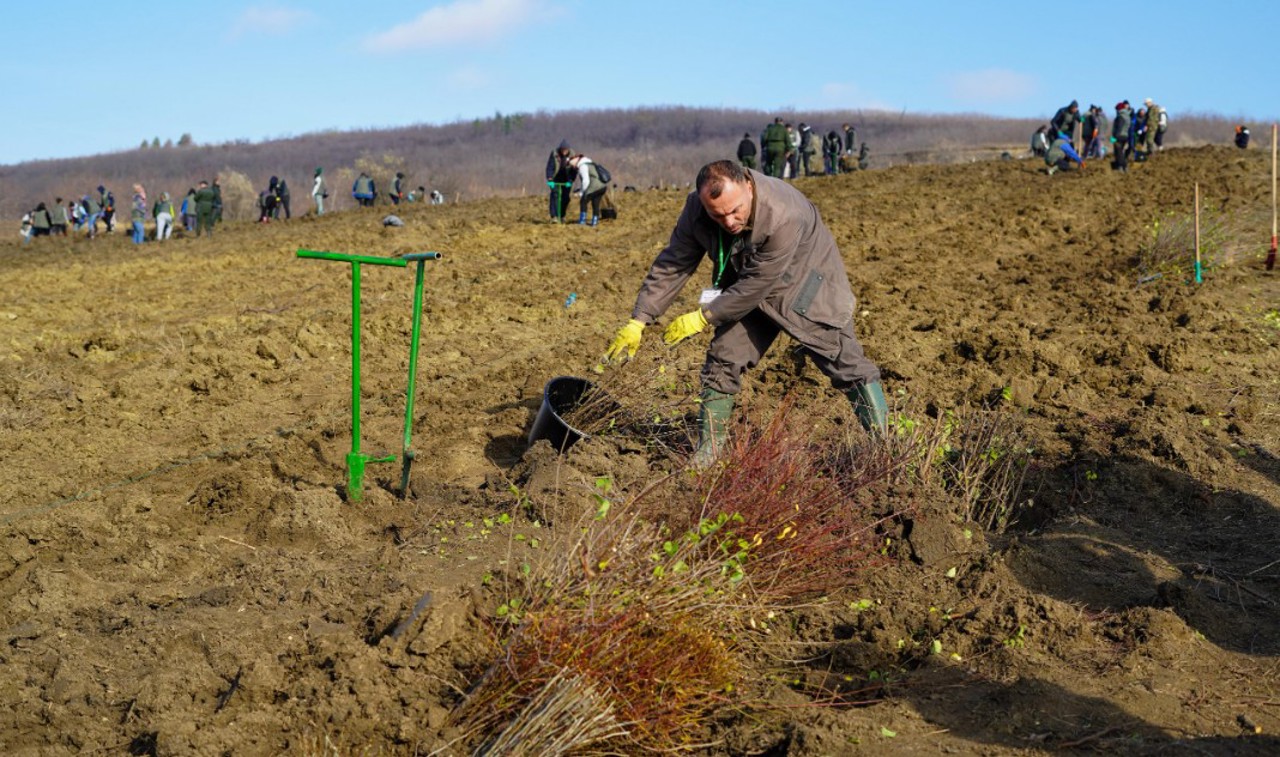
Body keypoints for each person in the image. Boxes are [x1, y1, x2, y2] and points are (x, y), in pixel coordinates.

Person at [602, 159, 887, 467]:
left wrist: (704, 317)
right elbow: (675, 261)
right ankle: (707, 455)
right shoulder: (698, 210)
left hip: (807, 285)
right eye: (718, 214)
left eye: (735, 210)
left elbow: (758, 284)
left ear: (748, 187)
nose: (729, 221)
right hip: (748, 288)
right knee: (723, 359)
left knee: (844, 362)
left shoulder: (783, 213)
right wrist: (639, 319)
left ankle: (887, 449)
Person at [568, 154, 609, 226]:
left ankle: (582, 221)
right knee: (595, 203)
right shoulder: (590, 163)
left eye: (572, 164)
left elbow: (586, 181)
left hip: (595, 187)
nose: (572, 166)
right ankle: (594, 222)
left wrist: (581, 192)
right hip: (602, 187)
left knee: (583, 201)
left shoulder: (582, 166)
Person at [546, 140, 574, 222]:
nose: (564, 151)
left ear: (568, 150)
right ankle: (554, 216)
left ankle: (562, 215)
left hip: (566, 178)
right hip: (555, 178)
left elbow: (574, 170)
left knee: (566, 198)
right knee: (555, 195)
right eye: (562, 150)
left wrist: (571, 180)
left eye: (566, 150)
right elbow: (550, 167)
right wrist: (550, 178)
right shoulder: (555, 154)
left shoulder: (572, 155)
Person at [1111, 101, 1133, 172]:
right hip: (1125, 135)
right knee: (1121, 152)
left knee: (1118, 152)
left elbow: (1119, 128)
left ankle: (1121, 166)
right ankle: (1124, 166)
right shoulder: (1127, 116)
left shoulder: (1120, 117)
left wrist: (1114, 138)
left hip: (1119, 136)